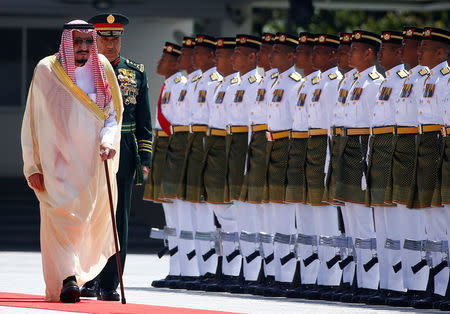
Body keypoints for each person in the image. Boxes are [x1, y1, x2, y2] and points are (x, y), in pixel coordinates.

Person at [21, 19, 122, 303]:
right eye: (77, 42)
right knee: (60, 218)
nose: (84, 48)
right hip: (57, 165)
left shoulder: (103, 68)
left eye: (89, 41)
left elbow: (112, 114)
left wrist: (108, 141)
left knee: (84, 223)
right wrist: (32, 165)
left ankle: (76, 276)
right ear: (67, 42)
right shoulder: (46, 70)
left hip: (91, 166)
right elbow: (31, 120)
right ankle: (67, 280)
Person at [86, 13, 153, 301]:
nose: (110, 43)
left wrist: (145, 159)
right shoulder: (82, 71)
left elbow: (144, 120)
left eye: (115, 38)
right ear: (95, 39)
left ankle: (110, 282)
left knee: (118, 217)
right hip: (89, 147)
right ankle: (87, 276)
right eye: (104, 37)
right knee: (90, 215)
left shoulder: (135, 72)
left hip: (124, 149)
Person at [329, 30, 384, 303]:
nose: (348, 53)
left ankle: (370, 281)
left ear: (369, 54)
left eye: (355, 49)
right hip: (344, 146)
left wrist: (368, 165)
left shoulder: (375, 83)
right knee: (349, 217)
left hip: (361, 147)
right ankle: (356, 277)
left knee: (362, 220)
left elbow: (375, 128)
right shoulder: (349, 81)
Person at [385, 26, 430, 308]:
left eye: (411, 46)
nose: (405, 51)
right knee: (403, 219)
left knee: (423, 221)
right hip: (400, 145)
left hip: (423, 145)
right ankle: (408, 284)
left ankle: (427, 283)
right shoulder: (403, 79)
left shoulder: (429, 78)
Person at [365, 30, 409, 305]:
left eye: (388, 49)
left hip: (396, 149)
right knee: (381, 223)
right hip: (379, 150)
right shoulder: (382, 83)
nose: (381, 54)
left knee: (399, 223)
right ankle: (385, 281)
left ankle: (401, 284)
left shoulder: (402, 81)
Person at [410, 27, 449, 310]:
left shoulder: (447, 78)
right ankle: (438, 285)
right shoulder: (424, 78)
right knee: (433, 219)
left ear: (440, 52)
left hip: (444, 143)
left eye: (425, 46)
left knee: (447, 217)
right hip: (427, 145)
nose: (419, 51)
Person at [147, 41, 184, 288]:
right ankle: (177, 267)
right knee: (169, 211)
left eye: (165, 58)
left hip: (174, 145)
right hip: (162, 142)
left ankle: (185, 269)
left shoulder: (181, 85)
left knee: (180, 211)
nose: (159, 62)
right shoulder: (169, 83)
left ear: (176, 63)